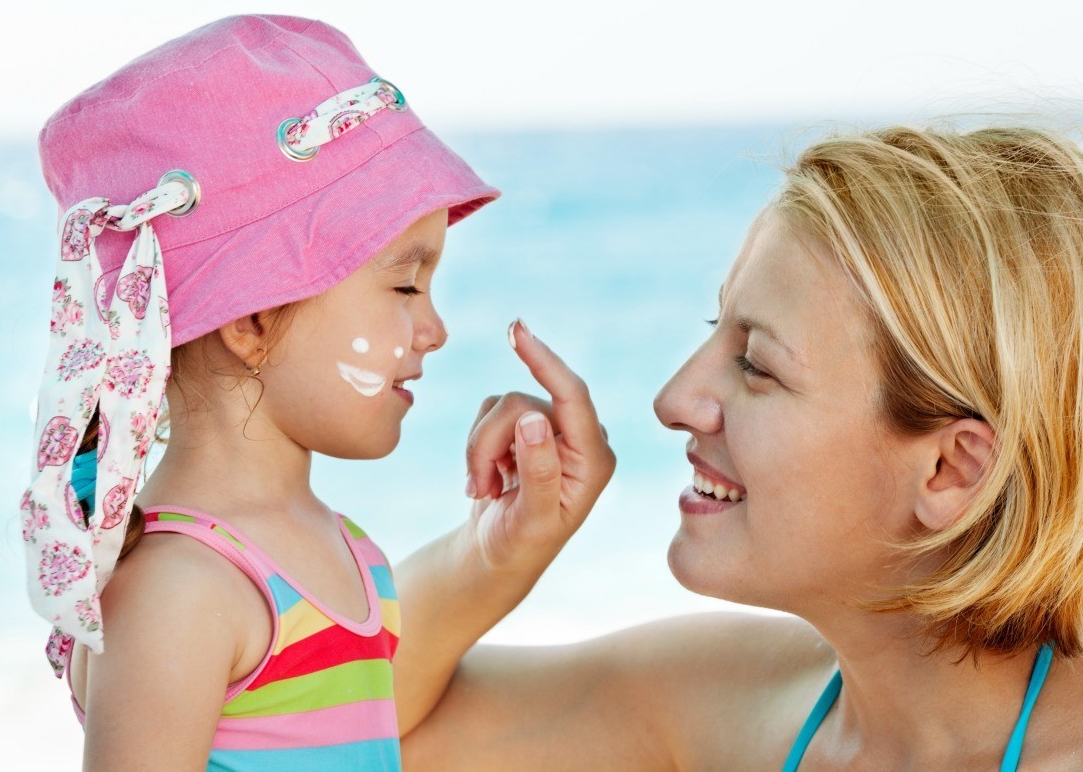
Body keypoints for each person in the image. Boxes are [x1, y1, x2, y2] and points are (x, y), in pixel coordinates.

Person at [397, 125, 1083, 770]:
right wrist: (486, 558)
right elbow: (362, 729)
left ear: (950, 470)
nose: (673, 400)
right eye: (715, 325)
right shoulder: (731, 701)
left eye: (756, 364)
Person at [17, 13, 577, 771]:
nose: (435, 329)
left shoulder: (352, 554)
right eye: (405, 286)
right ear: (251, 321)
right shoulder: (179, 592)